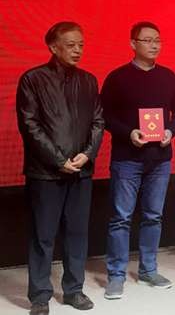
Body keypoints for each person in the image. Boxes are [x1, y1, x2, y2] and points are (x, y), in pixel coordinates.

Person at [16, 22, 105, 315]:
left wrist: (87, 154)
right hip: (45, 173)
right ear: (53, 47)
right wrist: (57, 160)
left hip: (81, 171)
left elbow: (98, 121)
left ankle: (74, 290)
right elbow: (30, 125)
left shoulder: (89, 81)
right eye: (70, 44)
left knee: (77, 233)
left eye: (81, 44)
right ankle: (40, 296)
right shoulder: (33, 79)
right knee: (43, 235)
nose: (77, 50)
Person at [101, 22, 175, 299]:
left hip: (160, 159)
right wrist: (129, 133)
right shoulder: (118, 77)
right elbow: (104, 116)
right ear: (133, 43)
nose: (154, 45)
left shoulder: (168, 76)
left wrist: (170, 131)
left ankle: (149, 270)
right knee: (121, 219)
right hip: (127, 158)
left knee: (153, 216)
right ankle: (116, 275)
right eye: (147, 40)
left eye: (157, 40)